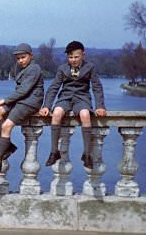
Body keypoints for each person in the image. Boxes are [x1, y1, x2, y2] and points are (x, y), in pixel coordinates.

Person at [39, 40, 106, 169]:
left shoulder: (89, 67)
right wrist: (46, 106)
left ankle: (87, 154)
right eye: (70, 57)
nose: (73, 60)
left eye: (76, 57)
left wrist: (100, 106)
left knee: (85, 115)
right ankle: (54, 152)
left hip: (82, 98)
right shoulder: (62, 69)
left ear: (83, 55)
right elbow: (54, 87)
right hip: (65, 97)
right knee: (57, 113)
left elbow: (97, 87)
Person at [0, 43, 44, 177]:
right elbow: (20, 92)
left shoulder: (34, 68)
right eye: (18, 58)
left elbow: (24, 90)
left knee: (7, 125)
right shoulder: (23, 69)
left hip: (30, 102)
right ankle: (8, 145)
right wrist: (2, 103)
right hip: (20, 100)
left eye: (23, 57)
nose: (20, 60)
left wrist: (3, 100)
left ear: (31, 56)